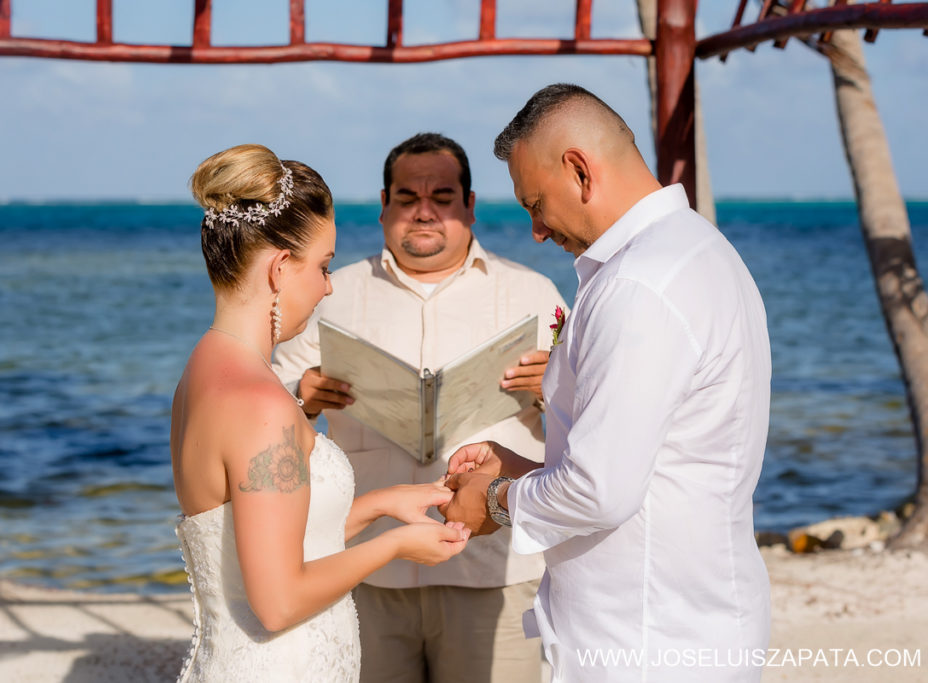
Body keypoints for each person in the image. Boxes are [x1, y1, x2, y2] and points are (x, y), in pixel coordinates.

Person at [442, 84, 772, 681]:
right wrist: (521, 468)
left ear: (579, 170)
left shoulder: (638, 285)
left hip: (645, 640)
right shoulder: (699, 251)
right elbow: (655, 459)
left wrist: (495, 501)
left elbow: (600, 491)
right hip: (685, 617)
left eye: (535, 203)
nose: (537, 230)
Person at [170, 143, 471, 683]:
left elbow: (265, 541)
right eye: (324, 266)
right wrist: (396, 545)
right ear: (281, 268)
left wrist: (379, 506)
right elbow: (279, 602)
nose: (329, 286)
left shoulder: (203, 368)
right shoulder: (263, 407)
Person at [273, 132, 568, 683]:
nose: (424, 212)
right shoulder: (332, 293)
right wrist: (302, 397)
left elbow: (592, 420)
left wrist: (556, 389)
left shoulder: (533, 294)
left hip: (493, 570)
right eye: (407, 198)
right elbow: (268, 401)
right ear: (384, 206)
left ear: (470, 207)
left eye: (443, 197)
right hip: (366, 568)